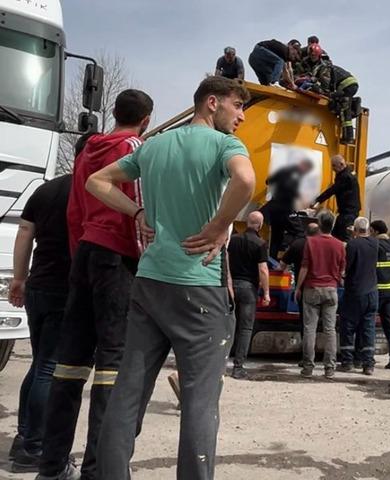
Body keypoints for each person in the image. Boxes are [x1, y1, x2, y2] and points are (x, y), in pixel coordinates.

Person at [90, 76, 255, 480]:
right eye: (237, 106)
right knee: (200, 402)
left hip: (149, 283)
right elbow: (246, 180)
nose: (242, 116)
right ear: (212, 102)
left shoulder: (152, 146)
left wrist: (136, 212)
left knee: (128, 392)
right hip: (199, 287)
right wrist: (220, 224)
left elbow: (97, 181)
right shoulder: (225, 146)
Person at [37, 89, 153, 480]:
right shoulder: (134, 148)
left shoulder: (87, 151)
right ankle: (98, 469)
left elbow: (75, 211)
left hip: (85, 252)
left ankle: (51, 466)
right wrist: (142, 261)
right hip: (117, 258)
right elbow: (140, 209)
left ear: (115, 112)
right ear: (146, 120)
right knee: (112, 367)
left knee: (69, 365)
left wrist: (79, 258)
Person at [6, 174, 72, 474]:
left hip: (38, 286)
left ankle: (24, 437)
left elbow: (24, 232)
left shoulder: (45, 189)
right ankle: (34, 447)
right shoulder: (91, 189)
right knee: (49, 367)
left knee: (39, 364)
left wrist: (19, 278)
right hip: (64, 288)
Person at [295, 210, 345, 379]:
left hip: (312, 288)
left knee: (310, 329)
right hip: (331, 290)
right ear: (333, 225)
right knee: (330, 330)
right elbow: (342, 269)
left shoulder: (311, 242)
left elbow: (304, 267)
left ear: (320, 224)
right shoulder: (340, 245)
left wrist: (298, 287)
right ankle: (329, 368)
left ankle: (308, 367)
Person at [228, 211, 271, 380]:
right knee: (245, 328)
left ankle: (220, 362)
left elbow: (225, 261)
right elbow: (263, 270)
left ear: (247, 222)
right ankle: (238, 368)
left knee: (228, 325)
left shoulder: (233, 240)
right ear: (260, 225)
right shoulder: (260, 244)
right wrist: (266, 293)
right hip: (248, 289)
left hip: (230, 286)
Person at [338, 217, 379, 375]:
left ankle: (347, 362)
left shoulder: (353, 244)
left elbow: (347, 267)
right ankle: (367, 364)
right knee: (368, 329)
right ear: (368, 229)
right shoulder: (375, 243)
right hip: (372, 292)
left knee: (348, 327)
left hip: (355, 292)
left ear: (355, 230)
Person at [307, 44, 359, 144]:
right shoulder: (326, 65)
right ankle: (352, 107)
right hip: (350, 85)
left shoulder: (324, 68)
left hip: (347, 86)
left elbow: (325, 87)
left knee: (343, 108)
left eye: (313, 56)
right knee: (337, 103)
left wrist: (317, 88)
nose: (311, 58)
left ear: (318, 56)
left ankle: (348, 137)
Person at [263, 158, 313, 259]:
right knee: (300, 234)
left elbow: (268, 181)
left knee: (276, 238)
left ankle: (272, 261)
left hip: (275, 210)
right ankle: (292, 259)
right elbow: (290, 189)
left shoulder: (282, 171)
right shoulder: (296, 174)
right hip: (285, 209)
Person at [371, 220, 390, 370]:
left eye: (371, 231)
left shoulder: (377, 245)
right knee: (389, 326)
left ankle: (368, 358)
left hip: (377, 291)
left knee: (368, 323)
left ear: (375, 231)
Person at [312, 155, 360, 241]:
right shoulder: (346, 174)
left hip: (348, 213)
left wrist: (317, 200)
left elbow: (333, 190)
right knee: (335, 237)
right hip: (345, 212)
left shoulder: (346, 177)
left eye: (334, 165)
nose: (332, 168)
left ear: (341, 164)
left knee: (344, 238)